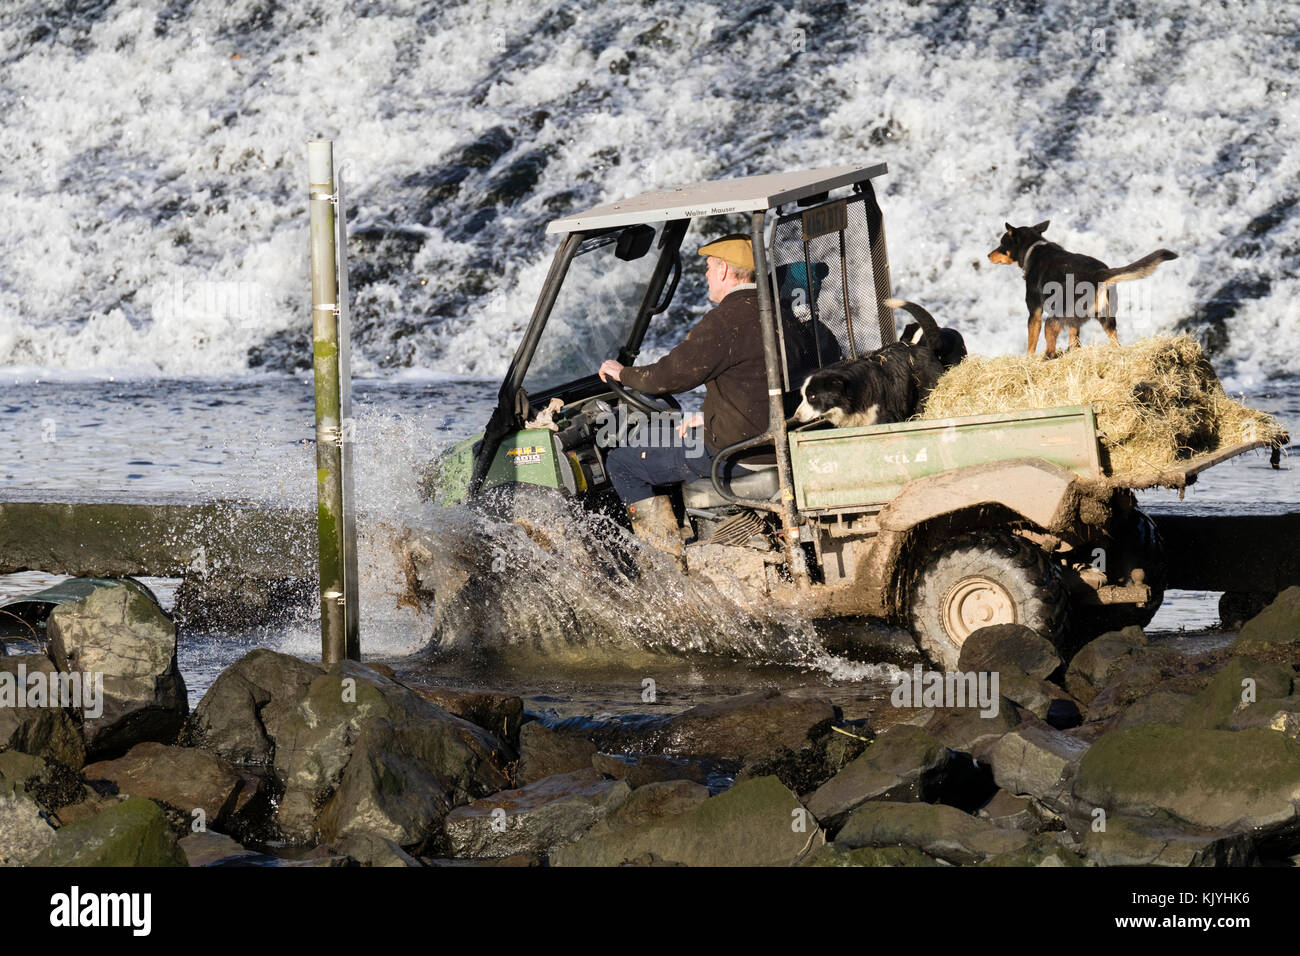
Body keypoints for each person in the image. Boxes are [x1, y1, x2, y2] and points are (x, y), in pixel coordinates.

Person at [597, 234, 769, 558]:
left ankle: (665, 568)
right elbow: (757, 385)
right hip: (768, 440)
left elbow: (669, 376)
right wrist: (710, 416)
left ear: (722, 271)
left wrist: (622, 373)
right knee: (674, 434)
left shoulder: (727, 321)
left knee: (622, 461)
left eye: (707, 268)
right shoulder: (779, 313)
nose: (705, 276)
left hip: (733, 450)